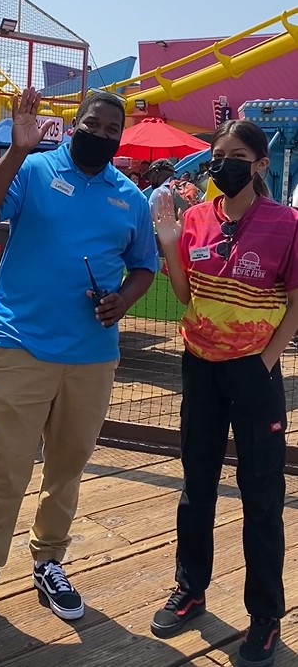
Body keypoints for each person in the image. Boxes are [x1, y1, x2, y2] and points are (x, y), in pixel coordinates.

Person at [0, 88, 158, 651]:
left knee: (66, 468)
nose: (104, 133)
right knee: (5, 468)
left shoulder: (129, 197)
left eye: (114, 128)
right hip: (22, 345)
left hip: (92, 355)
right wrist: (16, 151)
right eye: (95, 123)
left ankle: (48, 560)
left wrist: (124, 302)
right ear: (76, 123)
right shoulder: (36, 168)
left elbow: (144, 267)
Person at [150, 119, 298, 667]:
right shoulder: (194, 219)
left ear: (261, 165)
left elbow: (297, 299)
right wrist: (168, 242)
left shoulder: (286, 224)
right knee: (197, 484)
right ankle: (190, 589)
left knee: (262, 494)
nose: (224, 164)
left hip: (254, 375)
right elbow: (187, 292)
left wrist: (266, 358)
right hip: (200, 367)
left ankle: (264, 619)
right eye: (219, 154)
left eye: (238, 156)